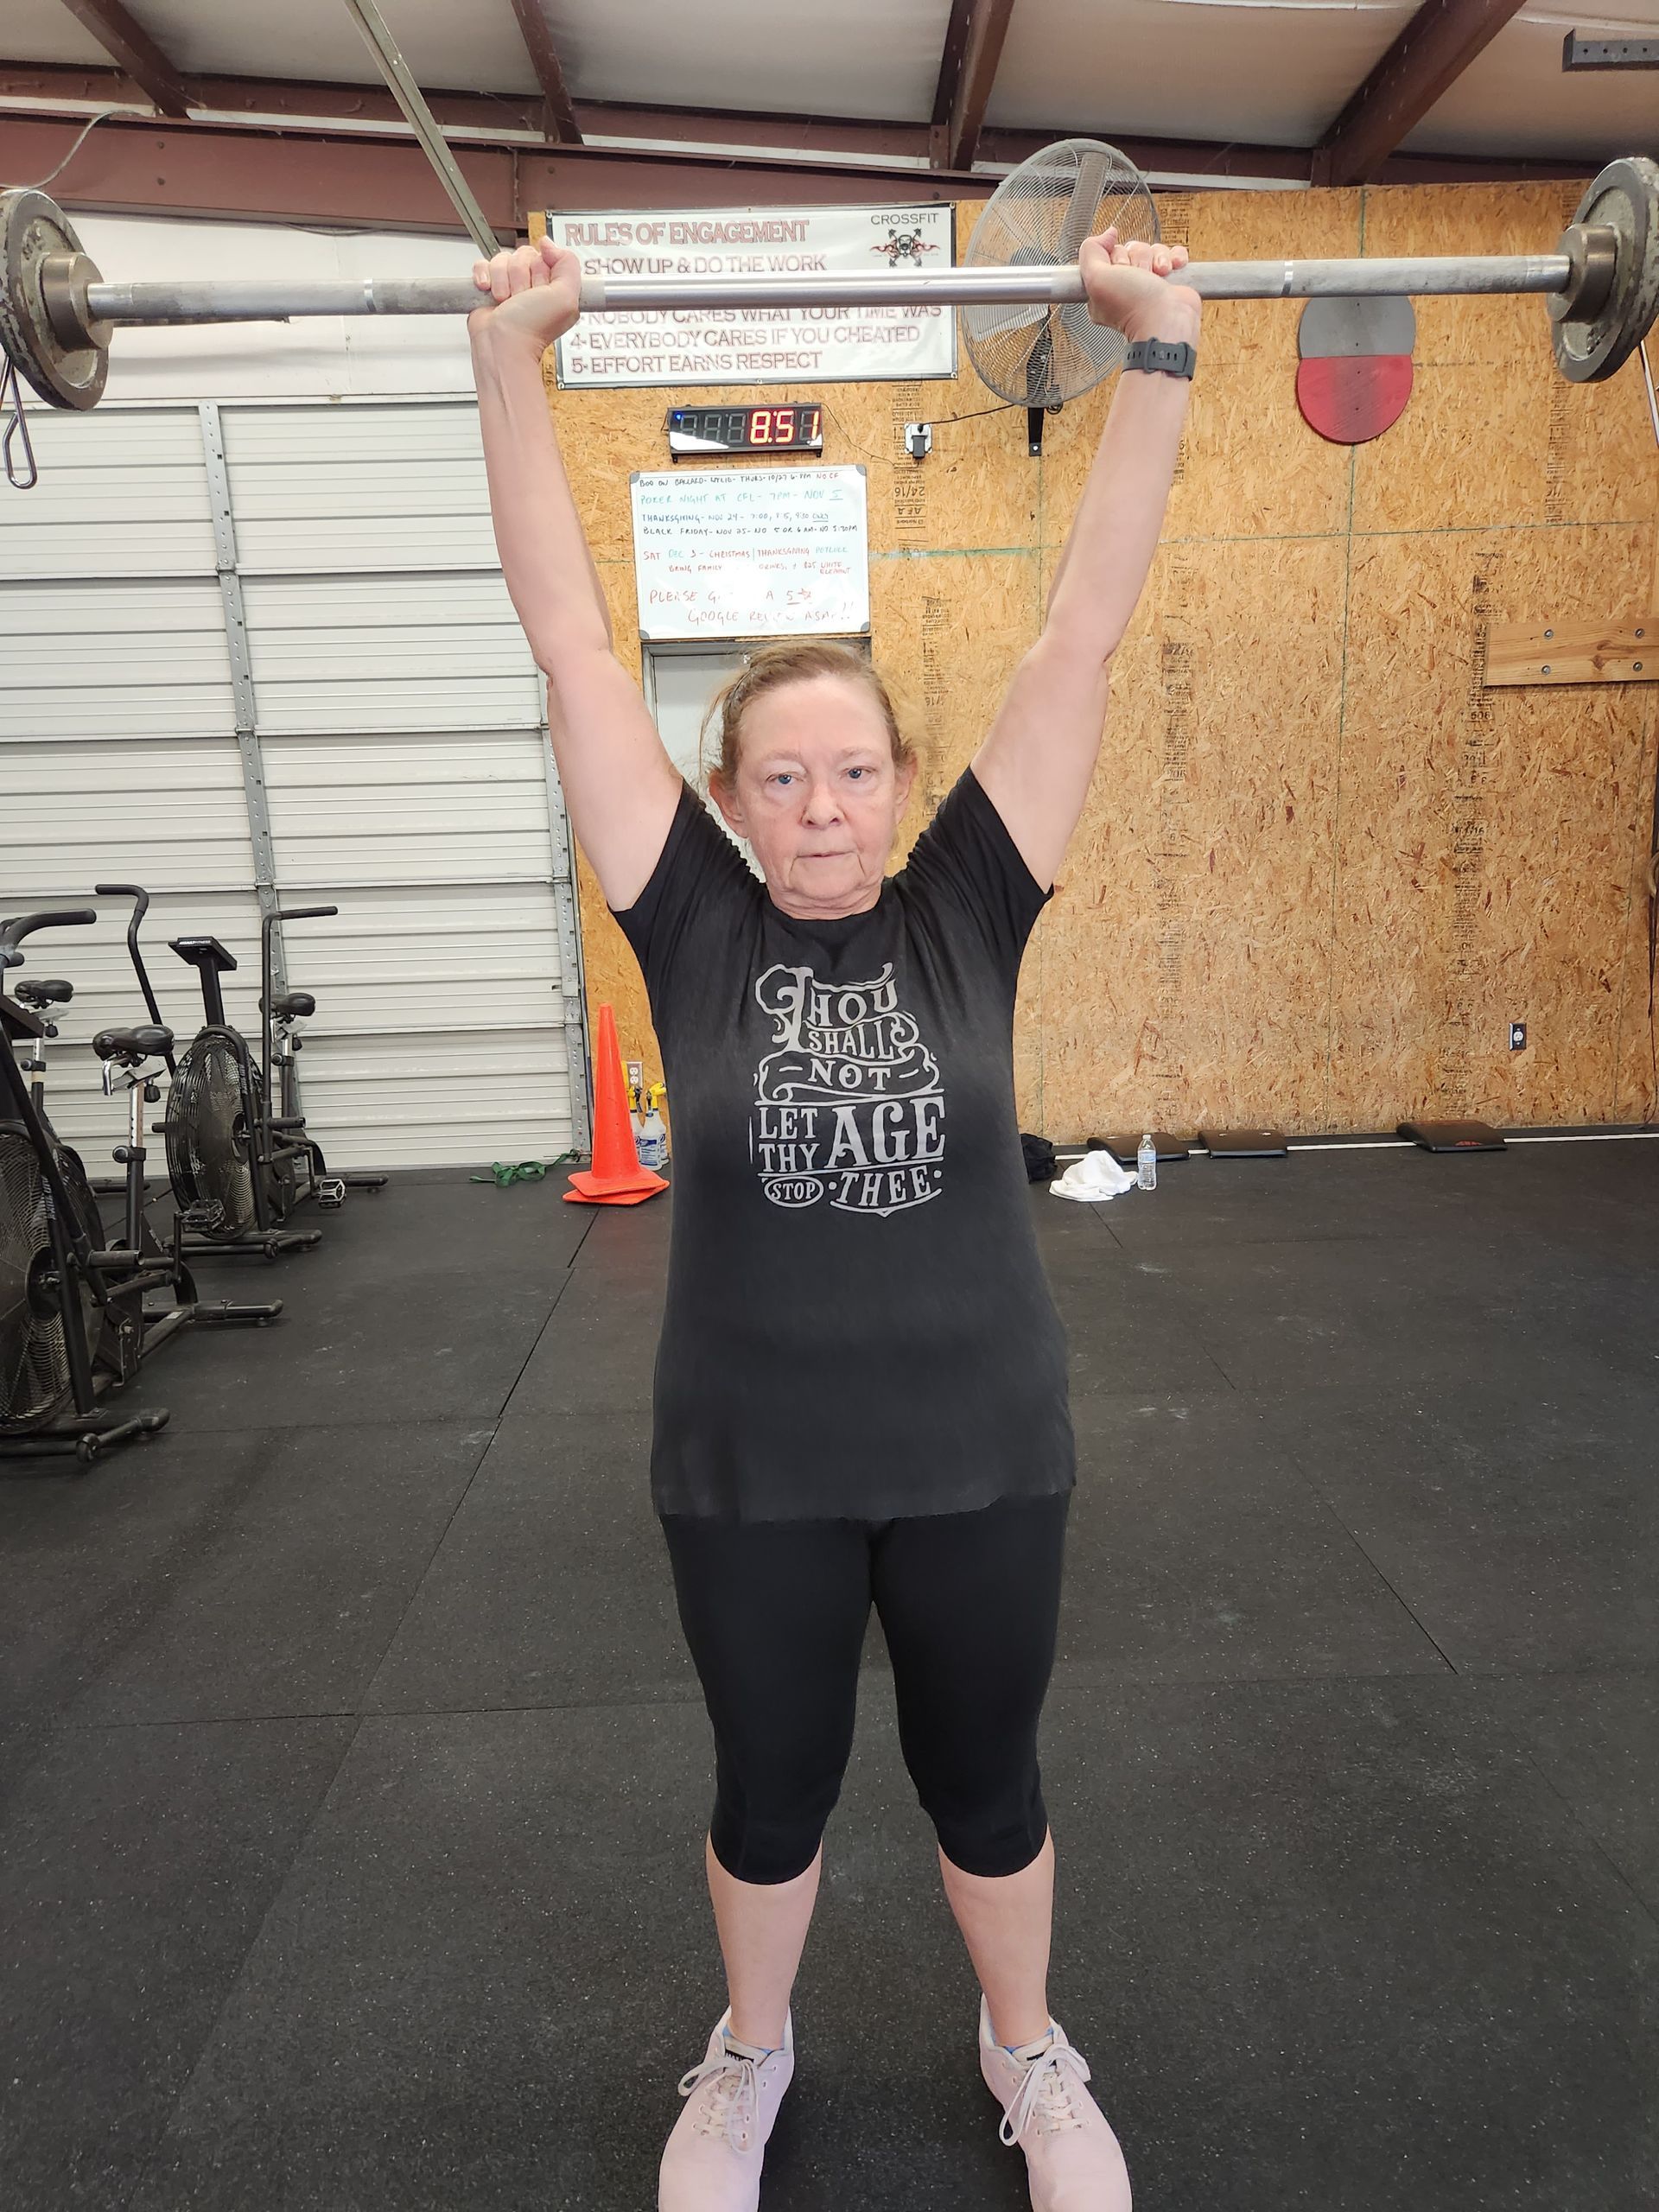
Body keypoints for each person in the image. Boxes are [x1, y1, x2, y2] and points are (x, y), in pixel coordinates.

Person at [469, 217, 1198, 2212]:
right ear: (728, 791)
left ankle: (1028, 2051)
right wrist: (510, 360)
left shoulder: (970, 903)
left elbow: (1081, 636)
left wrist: (1163, 354)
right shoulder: (689, 925)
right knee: (769, 1792)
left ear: (898, 781)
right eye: (779, 775)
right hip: (754, 1464)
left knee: (989, 1787)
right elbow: (568, 641)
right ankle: (752, 2050)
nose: (818, 804)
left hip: (980, 1451)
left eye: (852, 768)